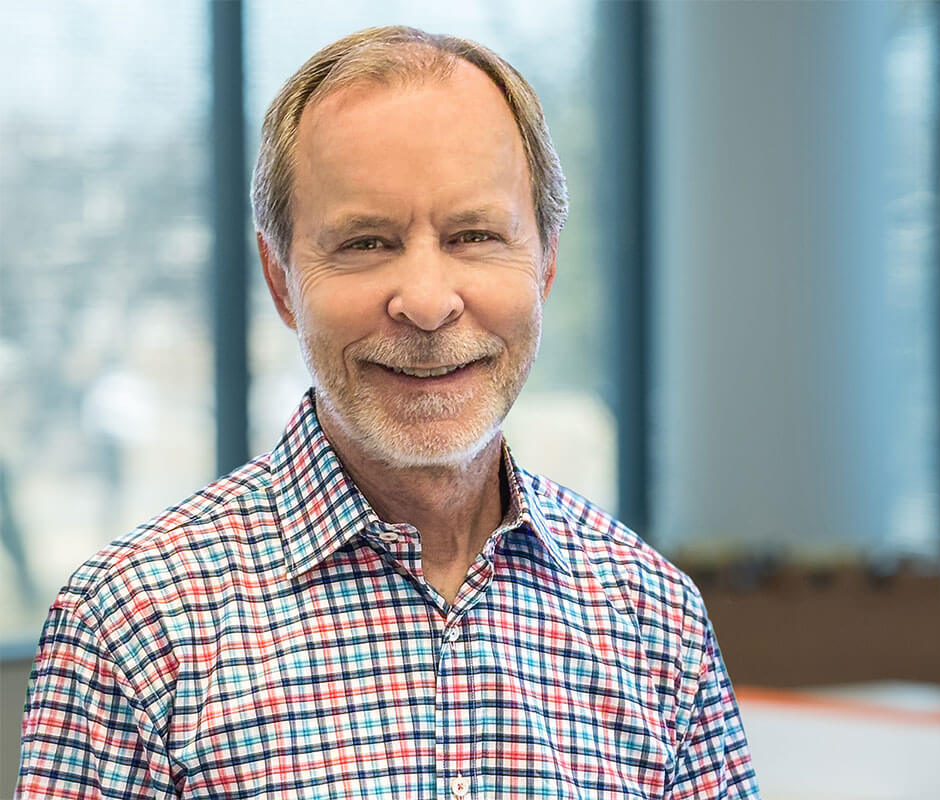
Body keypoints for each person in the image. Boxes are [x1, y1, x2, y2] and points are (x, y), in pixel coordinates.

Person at [18, 26, 759, 799]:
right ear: (281, 281)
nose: (430, 303)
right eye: (367, 243)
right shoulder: (132, 627)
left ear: (545, 263)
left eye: (474, 236)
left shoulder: (655, 619)